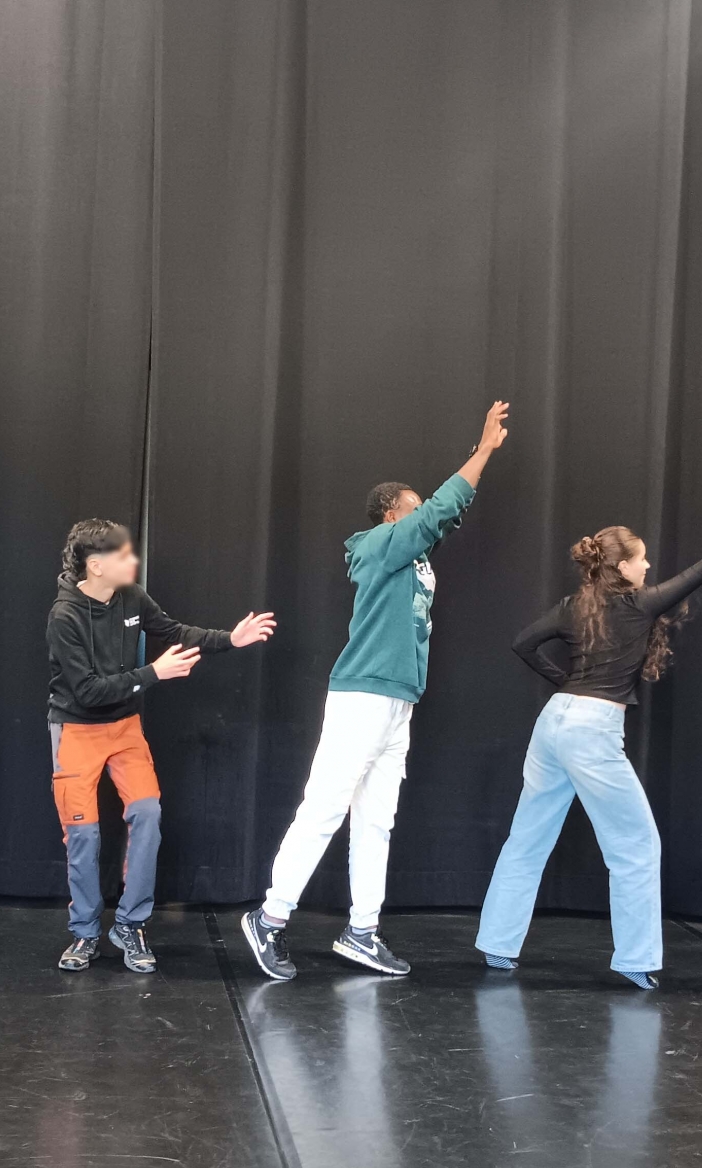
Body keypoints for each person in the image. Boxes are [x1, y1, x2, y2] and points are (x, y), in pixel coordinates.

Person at [240, 400, 510, 981]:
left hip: (398, 703)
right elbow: (439, 512)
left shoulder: (412, 557)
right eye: (412, 512)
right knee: (325, 809)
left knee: (376, 820)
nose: (424, 523)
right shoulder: (372, 547)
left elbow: (443, 516)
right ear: (392, 515)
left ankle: (361, 931)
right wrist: (483, 451)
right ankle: (268, 918)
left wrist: (475, 462)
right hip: (362, 697)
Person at [474, 482, 702, 989]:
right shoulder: (642, 604)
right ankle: (636, 958)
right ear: (622, 567)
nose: (648, 567)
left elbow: (522, 642)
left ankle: (498, 946)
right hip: (592, 731)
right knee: (635, 845)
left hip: (553, 723)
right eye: (641, 560)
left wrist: (565, 684)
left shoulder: (575, 604)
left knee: (527, 838)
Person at [47, 519, 277, 973]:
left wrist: (230, 640)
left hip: (124, 729)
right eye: (122, 555)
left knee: (148, 813)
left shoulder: (131, 597)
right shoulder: (65, 616)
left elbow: (175, 632)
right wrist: (154, 673)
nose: (133, 561)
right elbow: (88, 692)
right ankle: (85, 933)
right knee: (83, 836)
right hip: (75, 730)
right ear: (95, 566)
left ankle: (130, 925)